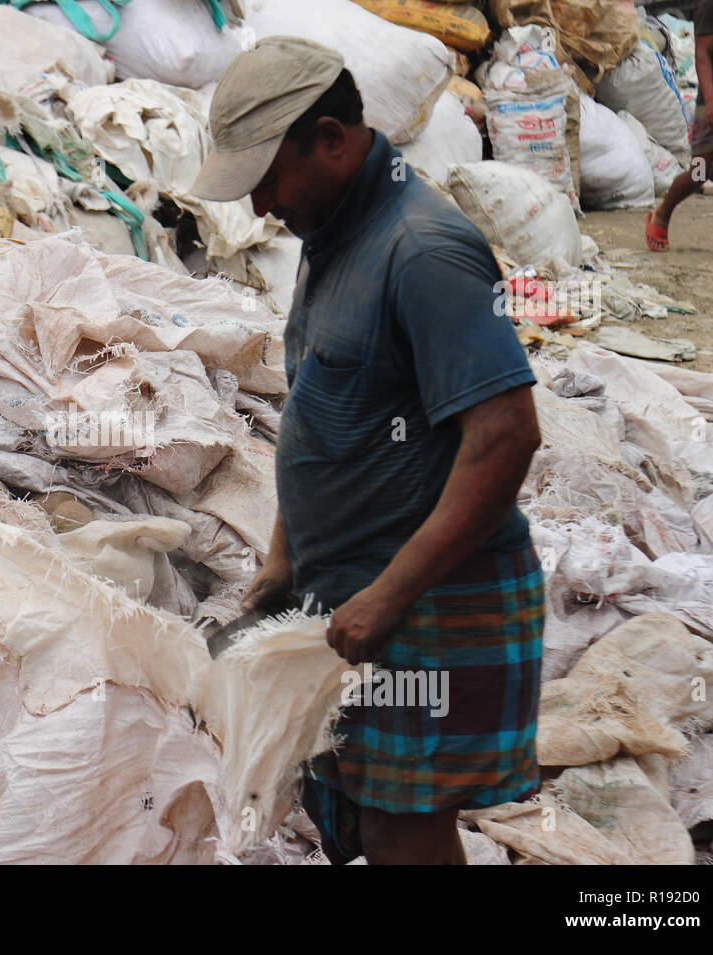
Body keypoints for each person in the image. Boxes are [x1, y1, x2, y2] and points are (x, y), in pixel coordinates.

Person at [192, 37, 545, 865]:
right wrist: (285, 557)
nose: (259, 208)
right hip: (360, 599)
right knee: (355, 814)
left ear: (329, 138)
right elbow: (329, 414)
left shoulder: (422, 251)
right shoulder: (336, 236)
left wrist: (387, 594)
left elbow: (505, 437)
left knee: (399, 829)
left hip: (430, 608)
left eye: (268, 180)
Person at [646, 0, 713, 256]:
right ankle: (662, 213)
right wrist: (711, 99)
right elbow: (702, 53)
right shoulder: (712, 3)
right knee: (699, 171)